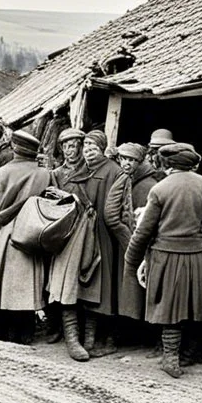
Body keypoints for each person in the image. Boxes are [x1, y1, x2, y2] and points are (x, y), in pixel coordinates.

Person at [124, 143, 202, 378]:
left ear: (169, 164)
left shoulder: (160, 189)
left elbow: (144, 230)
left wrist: (132, 259)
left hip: (165, 255)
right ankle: (189, 354)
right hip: (196, 254)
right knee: (193, 306)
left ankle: (171, 358)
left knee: (169, 307)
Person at [49, 130, 122, 361]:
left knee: (92, 286)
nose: (71, 151)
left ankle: (89, 339)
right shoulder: (57, 174)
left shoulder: (93, 170)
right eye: (66, 147)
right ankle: (72, 339)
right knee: (67, 285)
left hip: (92, 235)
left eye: (76, 146)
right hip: (68, 237)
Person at [0, 131, 52, 343]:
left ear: (14, 148)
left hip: (4, 237)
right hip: (33, 236)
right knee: (26, 288)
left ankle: (0, 335)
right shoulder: (45, 174)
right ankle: (24, 336)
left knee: (0, 288)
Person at [104, 143, 159, 331]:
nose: (127, 163)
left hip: (135, 241)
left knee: (136, 286)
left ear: (139, 162)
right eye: (124, 159)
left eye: (132, 160)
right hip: (128, 241)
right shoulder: (125, 178)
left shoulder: (146, 184)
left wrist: (130, 242)